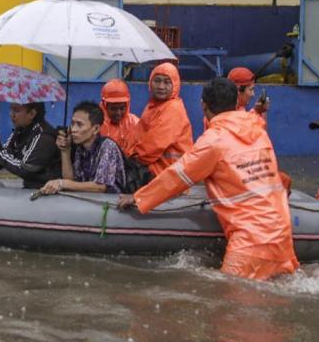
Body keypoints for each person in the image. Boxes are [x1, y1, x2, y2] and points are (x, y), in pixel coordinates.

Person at [118, 77, 299, 281]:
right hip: (283, 237)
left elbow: (177, 176)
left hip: (250, 243)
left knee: (230, 306)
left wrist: (139, 198)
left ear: (204, 105)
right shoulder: (257, 129)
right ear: (236, 101)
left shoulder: (214, 141)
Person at [40, 102, 126, 194]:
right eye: (72, 123)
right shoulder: (80, 147)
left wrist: (62, 183)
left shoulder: (108, 147)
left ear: (96, 129)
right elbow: (71, 180)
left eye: (79, 125)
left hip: (111, 203)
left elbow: (101, 187)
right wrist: (65, 150)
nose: (73, 129)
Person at [126, 62, 193, 177]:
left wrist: (130, 162)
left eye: (167, 82)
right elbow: (137, 137)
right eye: (157, 81)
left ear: (175, 85)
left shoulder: (173, 109)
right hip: (157, 170)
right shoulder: (152, 106)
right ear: (150, 82)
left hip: (167, 175)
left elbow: (154, 145)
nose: (161, 86)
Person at [98, 79, 139, 152]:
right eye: (113, 109)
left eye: (122, 108)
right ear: (104, 106)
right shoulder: (96, 123)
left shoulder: (135, 123)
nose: (118, 113)